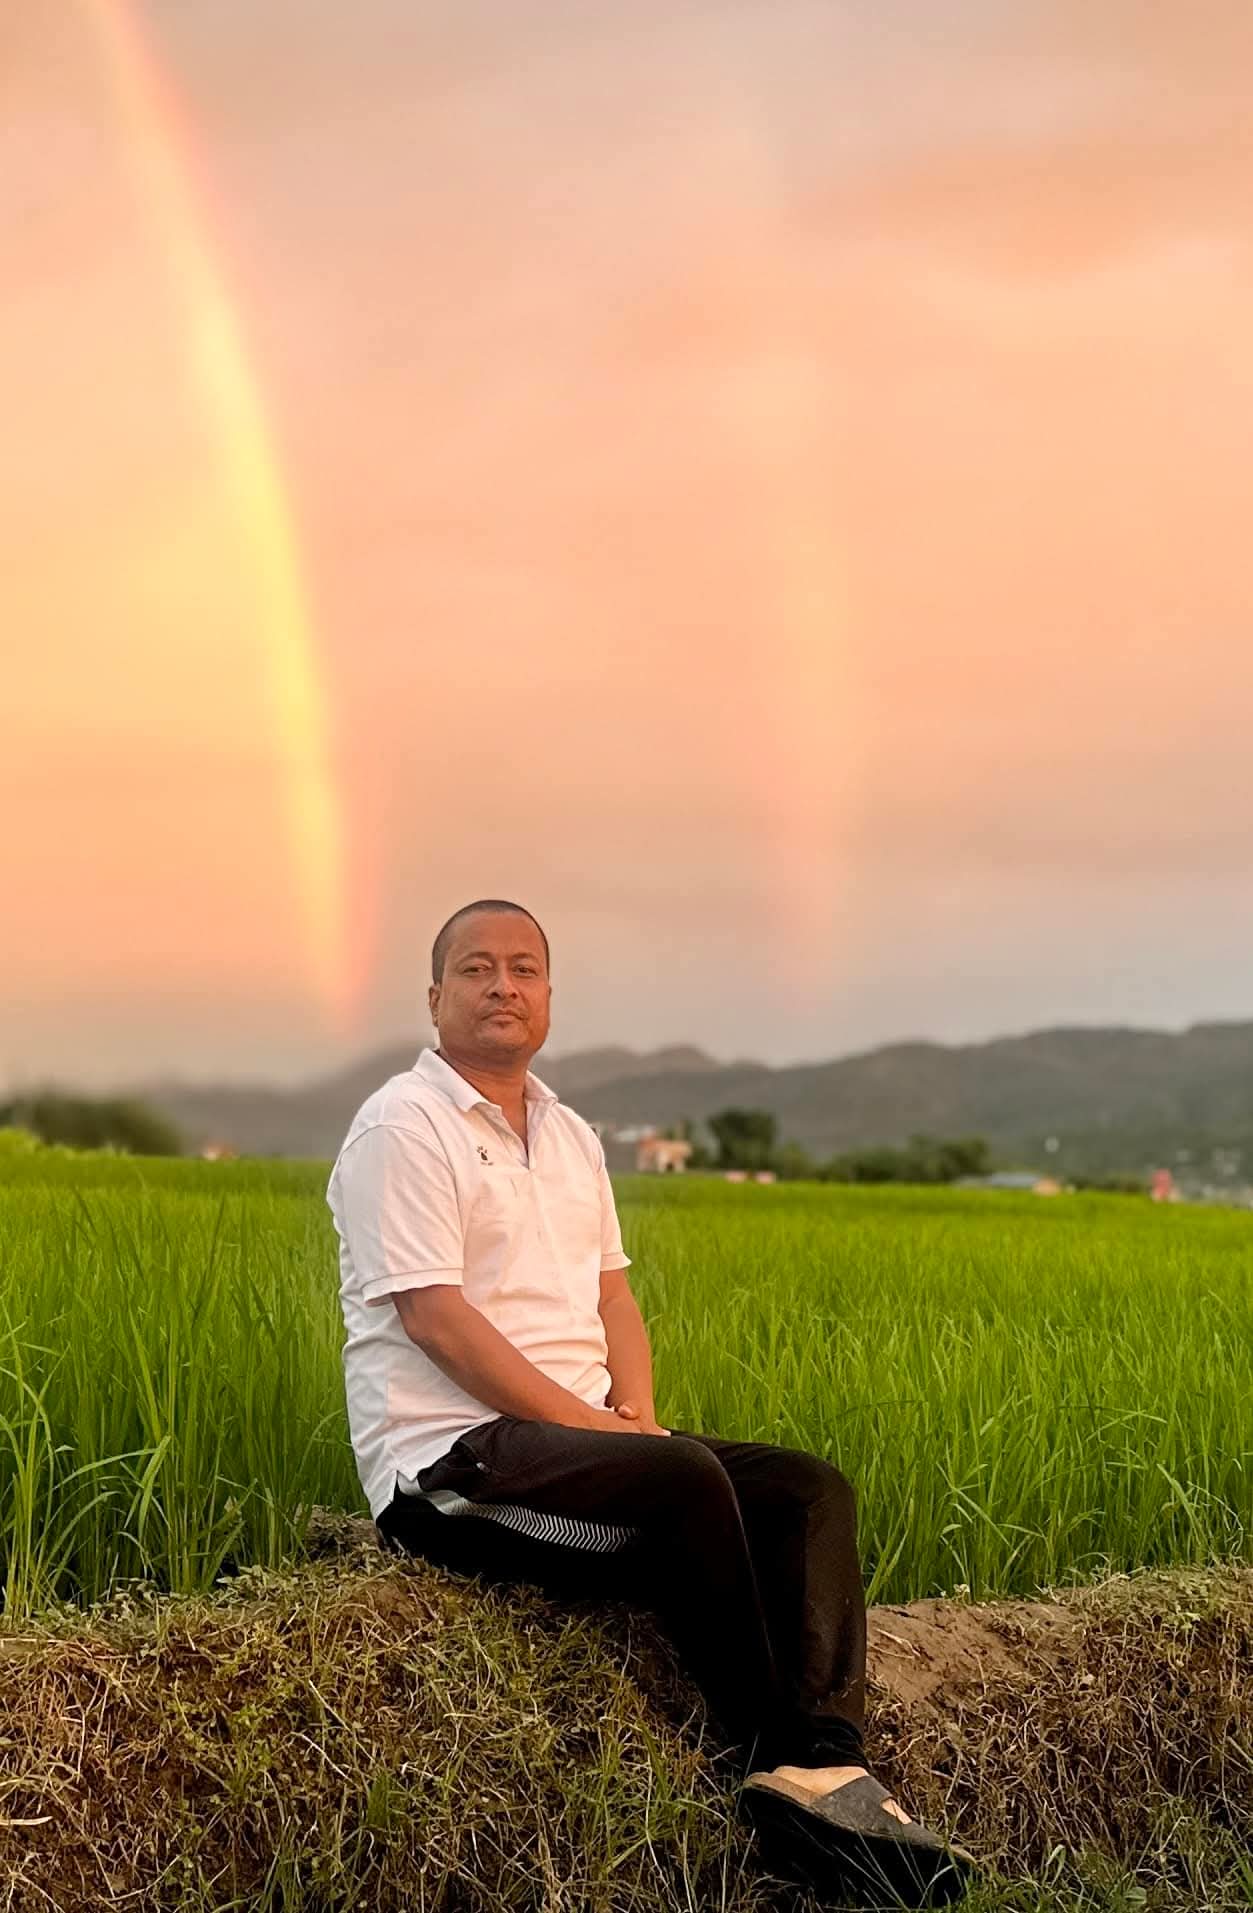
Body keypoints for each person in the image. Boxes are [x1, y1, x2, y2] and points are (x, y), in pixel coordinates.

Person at [326, 898, 972, 1907]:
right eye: (476, 967)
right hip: (452, 1466)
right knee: (682, 1481)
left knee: (804, 1488)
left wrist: (635, 1407)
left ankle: (825, 1765)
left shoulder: (571, 1133)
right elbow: (436, 1319)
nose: (503, 984)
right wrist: (600, 1431)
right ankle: (773, 1763)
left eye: (525, 967)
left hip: (577, 1443)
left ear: (547, 995)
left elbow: (613, 1294)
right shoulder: (401, 1127)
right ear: (434, 995)